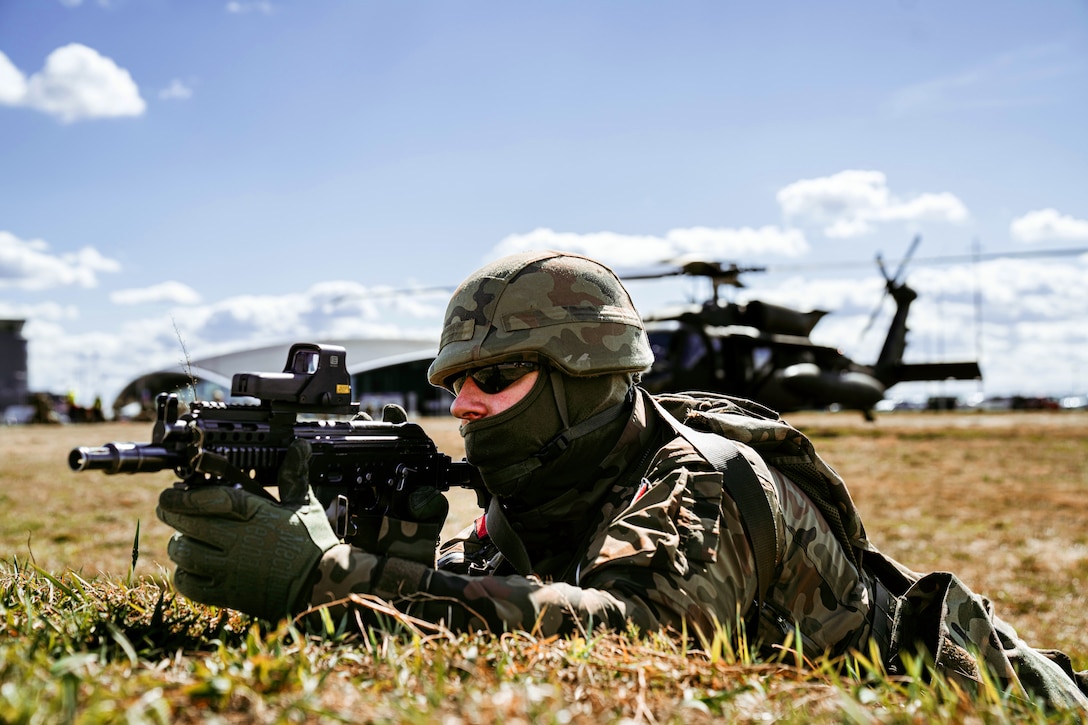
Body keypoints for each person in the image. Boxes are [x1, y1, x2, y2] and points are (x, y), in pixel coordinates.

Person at [157, 250, 1088, 711]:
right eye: (455, 387)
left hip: (980, 688)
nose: (467, 407)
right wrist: (396, 556)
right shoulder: (559, 471)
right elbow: (523, 586)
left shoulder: (703, 479)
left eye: (494, 378)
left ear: (582, 378)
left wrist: (324, 579)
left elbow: (623, 633)